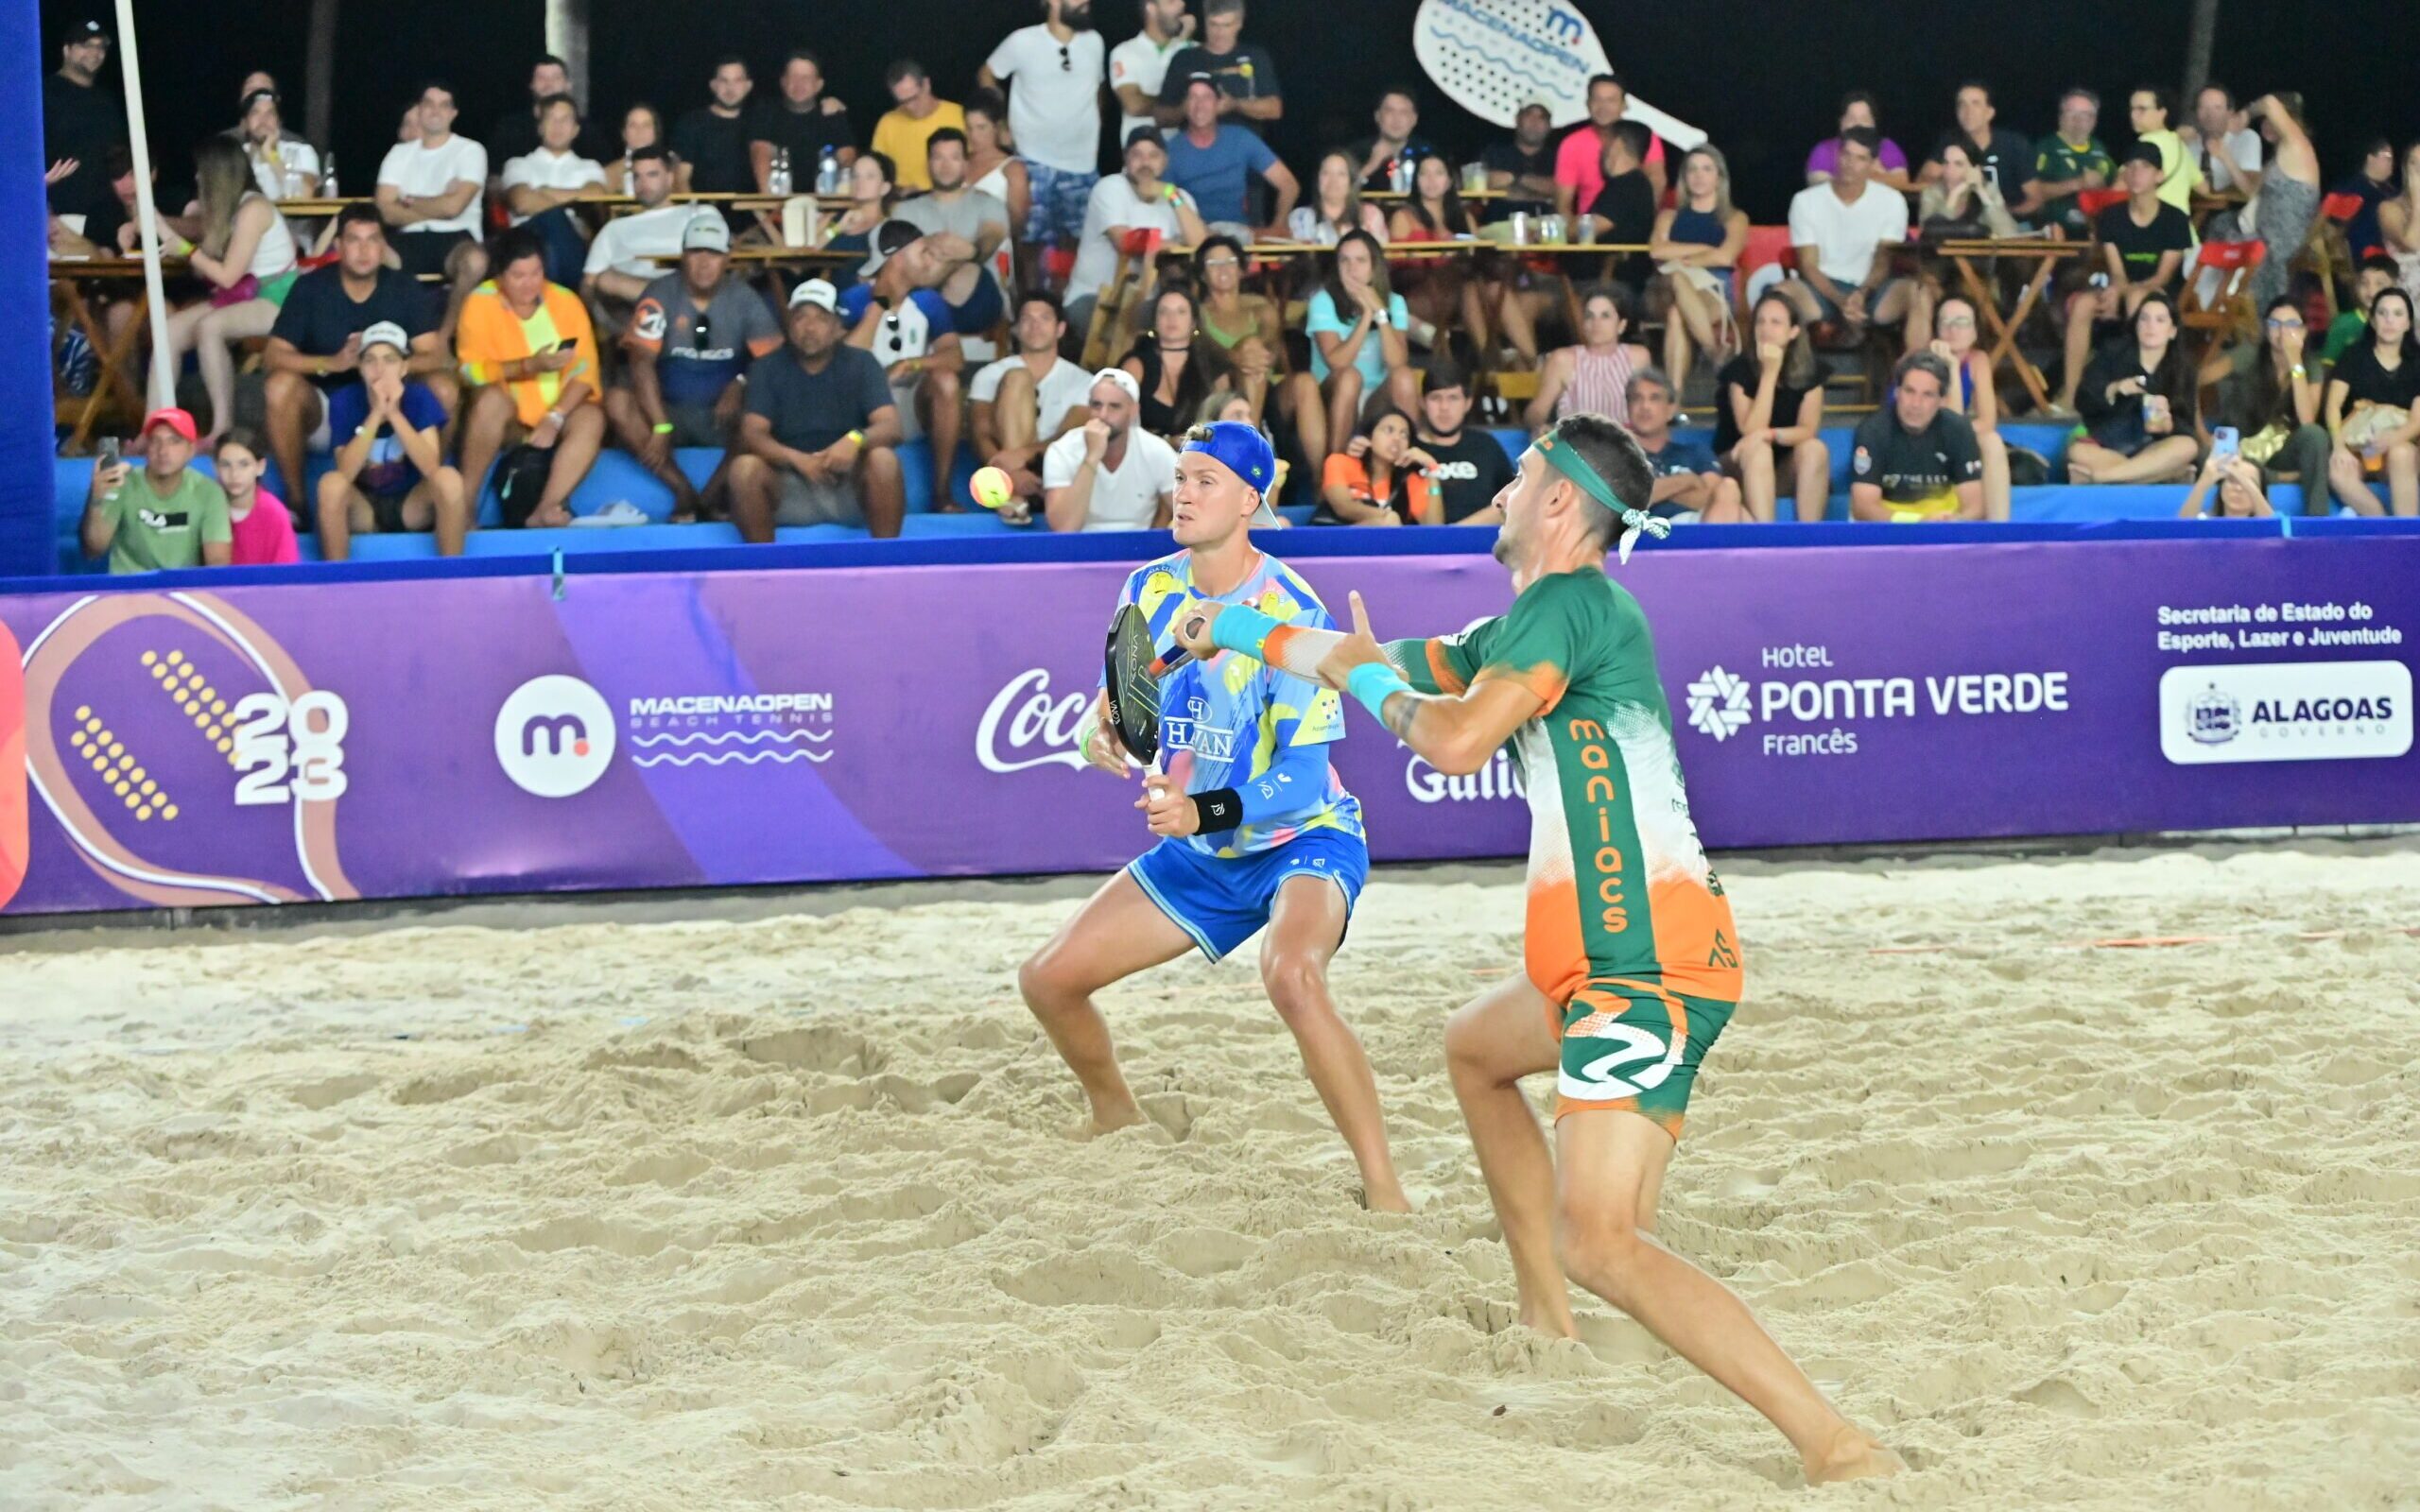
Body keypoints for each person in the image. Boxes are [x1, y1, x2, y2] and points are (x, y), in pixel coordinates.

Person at [1174, 414, 1905, 1488]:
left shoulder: (1575, 603)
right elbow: (1367, 660)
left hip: (1639, 964)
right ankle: (1546, 1317)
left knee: (1606, 1240)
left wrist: (1371, 683)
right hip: (1598, 957)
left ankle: (1836, 1444)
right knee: (1475, 1053)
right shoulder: (1527, 624)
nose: (1502, 491)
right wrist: (1233, 632)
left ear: (1560, 500)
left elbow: (1451, 735)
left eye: (1518, 476)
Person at [1021, 421, 1407, 1211]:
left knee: (1292, 976)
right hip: (1202, 852)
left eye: (1205, 480)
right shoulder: (1148, 588)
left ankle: (1384, 1187)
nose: (1183, 492)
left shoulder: (1291, 609)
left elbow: (1302, 780)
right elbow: (1124, 698)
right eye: (1182, 477)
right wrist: (1101, 730)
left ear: (1251, 500)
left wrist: (1205, 809)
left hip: (1302, 838)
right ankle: (1116, 1116)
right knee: (1048, 982)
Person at [262, 205, 451, 506]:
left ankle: (429, 494)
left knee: (444, 386)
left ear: (383, 246)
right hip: (329, 407)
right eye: (354, 240)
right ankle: (297, 503)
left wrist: (389, 369)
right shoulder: (311, 288)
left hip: (396, 403)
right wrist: (331, 363)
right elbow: (273, 356)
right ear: (338, 246)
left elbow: (435, 355)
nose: (364, 250)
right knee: (278, 387)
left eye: (372, 240)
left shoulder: (403, 287)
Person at [609, 213, 783, 522]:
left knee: (766, 408)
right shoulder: (659, 293)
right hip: (668, 413)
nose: (704, 262)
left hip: (721, 417)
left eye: (713, 253)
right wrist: (660, 423)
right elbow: (640, 362)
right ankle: (683, 490)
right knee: (617, 401)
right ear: (683, 256)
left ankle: (713, 495)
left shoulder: (745, 298)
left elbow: (774, 363)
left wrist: (740, 383)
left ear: (727, 258)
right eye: (696, 252)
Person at [455, 230, 609, 530]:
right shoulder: (480, 303)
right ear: (500, 276)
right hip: (507, 421)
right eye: (519, 276)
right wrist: (528, 365)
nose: (530, 284)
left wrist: (556, 416)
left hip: (554, 418)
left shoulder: (566, 302)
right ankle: (465, 506)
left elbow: (584, 372)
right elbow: (468, 372)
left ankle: (546, 507)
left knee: (592, 417)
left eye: (536, 273)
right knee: (490, 402)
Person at [730, 279, 907, 539]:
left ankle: (888, 567)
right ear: (790, 325)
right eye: (801, 318)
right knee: (744, 468)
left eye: (821, 318)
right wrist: (797, 459)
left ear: (837, 328)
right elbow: (752, 434)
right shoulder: (766, 368)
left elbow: (891, 427)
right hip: (790, 485)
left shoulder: (862, 363)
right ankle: (764, 573)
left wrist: (855, 440)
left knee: (883, 459)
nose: (809, 328)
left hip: (847, 485)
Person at [163, 135, 300, 446]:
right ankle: (157, 425)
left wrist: (184, 249)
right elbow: (206, 269)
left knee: (210, 327)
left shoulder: (253, 208)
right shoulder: (229, 208)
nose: (197, 177)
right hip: (245, 294)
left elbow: (226, 276)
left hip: (277, 297)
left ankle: (221, 427)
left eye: (202, 171)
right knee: (168, 330)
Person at [315, 320, 469, 558]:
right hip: (365, 508)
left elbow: (431, 466)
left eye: (390, 360)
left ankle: (453, 574)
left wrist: (395, 413)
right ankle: (337, 581)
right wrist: (376, 413)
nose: (380, 369)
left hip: (410, 505)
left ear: (404, 367)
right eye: (370, 360)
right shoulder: (344, 400)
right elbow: (345, 472)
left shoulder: (419, 397)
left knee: (449, 479)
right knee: (330, 484)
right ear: (360, 367)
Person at [838, 221, 965, 507]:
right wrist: (881, 304)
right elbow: (842, 363)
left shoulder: (929, 301)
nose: (930, 261)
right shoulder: (854, 299)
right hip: (864, 411)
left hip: (909, 405)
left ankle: (942, 493)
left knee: (946, 381)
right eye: (923, 252)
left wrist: (913, 363)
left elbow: (955, 357)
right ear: (897, 257)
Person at [2058, 142, 2191, 412]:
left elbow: (2162, 278)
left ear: (2159, 175)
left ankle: (2139, 391)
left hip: (2159, 294)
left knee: (2138, 299)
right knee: (2084, 303)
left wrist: (2125, 291)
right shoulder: (2111, 217)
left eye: (2144, 167)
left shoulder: (2175, 219)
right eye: (2130, 167)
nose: (2135, 173)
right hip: (2123, 289)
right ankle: (2071, 396)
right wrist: (2117, 290)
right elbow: (2117, 271)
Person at [980, 0, 1105, 258]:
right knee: (1030, 244)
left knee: (1081, 247)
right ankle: (1029, 299)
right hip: (1033, 160)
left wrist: (1096, 120)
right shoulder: (1022, 41)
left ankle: (1069, 299)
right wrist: (1000, 122)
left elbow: (1100, 87)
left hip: (1082, 165)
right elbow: (987, 74)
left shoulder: (1095, 41)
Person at [1780, 129, 1923, 342]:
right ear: (1837, 155)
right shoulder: (1805, 201)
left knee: (1918, 294)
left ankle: (1917, 366)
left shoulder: (1892, 201)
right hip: (1823, 289)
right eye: (1846, 154)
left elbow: (1883, 258)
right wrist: (1840, 299)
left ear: (1873, 164)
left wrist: (1862, 293)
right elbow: (1808, 265)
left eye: (1860, 158)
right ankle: (1772, 371)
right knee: (1779, 295)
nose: (1850, 163)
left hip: (1874, 288)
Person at [1065, 128, 1207, 334]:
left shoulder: (1178, 197)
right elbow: (1124, 241)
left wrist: (1170, 194)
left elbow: (1201, 245)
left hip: (1148, 300)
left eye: (1153, 155)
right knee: (1128, 338)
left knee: (1192, 325)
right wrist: (1174, 246)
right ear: (1126, 159)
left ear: (1165, 161)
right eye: (1137, 155)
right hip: (1095, 297)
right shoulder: (1110, 187)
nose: (1145, 163)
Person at [1305, 231, 1420, 463]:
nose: (1351, 268)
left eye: (1360, 260)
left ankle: (1409, 464)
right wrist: (1366, 316)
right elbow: (1337, 363)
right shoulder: (1323, 301)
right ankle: (1336, 467)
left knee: (1405, 377)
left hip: (1376, 396)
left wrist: (1380, 314)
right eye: (1344, 260)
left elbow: (1397, 361)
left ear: (1374, 266)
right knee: (1350, 376)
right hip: (1333, 391)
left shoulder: (1395, 301)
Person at [2207, 294, 2329, 509]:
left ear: (2303, 331)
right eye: (2275, 324)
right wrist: (2202, 432)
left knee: (2316, 436)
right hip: (2242, 449)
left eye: (2291, 324)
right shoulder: (2250, 355)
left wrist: (2295, 364)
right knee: (2221, 457)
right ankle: (2285, 477)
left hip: (2282, 453)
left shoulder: (2310, 365)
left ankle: (2317, 527)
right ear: (2266, 329)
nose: (2282, 332)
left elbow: (2308, 420)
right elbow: (2199, 379)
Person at [1717, 290, 1830, 522]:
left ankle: (1808, 543)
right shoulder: (1739, 370)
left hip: (1782, 469)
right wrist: (1770, 373)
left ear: (1793, 332)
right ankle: (1764, 541)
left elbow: (1807, 430)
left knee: (1814, 449)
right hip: (1736, 466)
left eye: (1776, 323)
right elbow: (1749, 431)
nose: (1766, 329)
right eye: (1761, 321)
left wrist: (1769, 435)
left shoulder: (1810, 371)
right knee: (1758, 451)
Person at [972, 293, 1095, 507]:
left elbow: (1072, 434)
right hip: (999, 469)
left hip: (1054, 467)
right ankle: (1014, 495)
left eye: (1044, 318)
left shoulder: (1083, 381)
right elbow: (980, 433)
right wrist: (1008, 472)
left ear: (1060, 329)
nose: (1035, 325)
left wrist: (1023, 455)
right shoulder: (988, 374)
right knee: (1017, 377)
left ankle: (1021, 496)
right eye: (1027, 319)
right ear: (1017, 329)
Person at [2068, 291, 2201, 485]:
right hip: (2110, 444)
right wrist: (2114, 389)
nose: (2151, 326)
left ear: (2172, 331)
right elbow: (2082, 400)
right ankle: (2159, 475)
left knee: (2187, 446)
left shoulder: (2183, 368)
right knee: (2078, 451)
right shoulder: (2112, 353)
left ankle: (2104, 477)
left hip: (2153, 447)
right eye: (2144, 319)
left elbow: (2187, 422)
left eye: (2160, 320)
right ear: (2136, 325)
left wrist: (2168, 425)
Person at [1648, 145, 1747, 396]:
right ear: (1683, 177)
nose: (1699, 175)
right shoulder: (1669, 216)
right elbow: (1657, 251)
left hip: (1714, 289)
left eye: (1706, 169)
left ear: (1719, 177)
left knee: (1675, 316)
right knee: (1678, 281)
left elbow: (1725, 255)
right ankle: (1714, 351)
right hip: (1667, 288)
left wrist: (1681, 255)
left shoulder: (1735, 217)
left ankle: (1674, 401)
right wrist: (1704, 250)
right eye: (1692, 169)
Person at [895, 129, 1013, 335]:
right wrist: (954, 256)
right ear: (928, 163)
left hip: (975, 301)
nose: (946, 166)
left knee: (968, 272)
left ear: (966, 164)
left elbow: (990, 238)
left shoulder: (988, 203)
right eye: (938, 157)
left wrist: (970, 253)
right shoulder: (906, 210)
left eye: (954, 158)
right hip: (919, 300)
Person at [83, 408, 231, 573]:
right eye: (155, 441)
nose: (163, 451)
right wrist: (96, 498)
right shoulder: (122, 483)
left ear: (191, 450)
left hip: (183, 590)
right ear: (146, 448)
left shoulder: (209, 491)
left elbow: (218, 563)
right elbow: (95, 549)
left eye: (174, 441)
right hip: (129, 590)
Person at [376, 82, 488, 296]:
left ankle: (449, 330)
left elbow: (453, 208)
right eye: (429, 104)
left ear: (453, 113)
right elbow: (384, 211)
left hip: (456, 237)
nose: (435, 111)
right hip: (409, 238)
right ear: (419, 109)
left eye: (443, 105)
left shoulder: (470, 151)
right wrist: (441, 201)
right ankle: (378, 327)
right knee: (367, 253)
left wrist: (408, 202)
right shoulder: (399, 153)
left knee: (474, 261)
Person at [1850, 352, 1985, 522]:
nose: (1916, 404)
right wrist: (1916, 523)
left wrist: (1955, 521)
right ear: (1896, 393)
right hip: (1890, 529)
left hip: (1943, 526)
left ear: (1942, 400)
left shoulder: (1959, 429)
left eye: (1927, 395)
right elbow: (1863, 508)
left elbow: (1975, 506)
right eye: (1909, 391)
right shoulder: (1872, 431)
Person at [2323, 285, 2420, 517]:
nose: (2389, 321)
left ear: (2408, 323)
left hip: (2399, 443)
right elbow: (2333, 406)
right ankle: (2382, 526)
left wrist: (2391, 440)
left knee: (2401, 454)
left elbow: (2417, 420)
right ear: (2373, 320)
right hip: (2357, 444)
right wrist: (2338, 446)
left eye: (2398, 314)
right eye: (2382, 313)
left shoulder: (2417, 362)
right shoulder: (2353, 356)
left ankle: (2407, 535)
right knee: (2338, 473)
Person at [1043, 368, 1180, 529]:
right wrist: (1092, 457)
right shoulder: (1062, 450)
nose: (1103, 415)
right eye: (1096, 405)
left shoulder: (1156, 450)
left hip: (1139, 550)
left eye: (1114, 406)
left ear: (1134, 410)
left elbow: (1189, 510)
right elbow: (1064, 528)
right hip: (1081, 549)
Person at [1164, 75, 1297, 232]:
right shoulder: (1170, 150)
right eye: (1193, 97)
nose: (1200, 105)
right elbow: (1164, 193)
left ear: (1218, 104)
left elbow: (1288, 184)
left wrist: (1278, 225)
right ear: (1184, 105)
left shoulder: (1241, 138)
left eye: (1207, 97)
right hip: (1193, 237)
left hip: (1238, 234)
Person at [583, 147, 699, 320]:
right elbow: (589, 283)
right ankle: (669, 307)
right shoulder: (614, 228)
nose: (643, 183)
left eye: (652, 175)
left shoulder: (697, 214)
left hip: (684, 284)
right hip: (633, 302)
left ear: (670, 177)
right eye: (637, 176)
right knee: (605, 279)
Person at [501, 94, 604, 285]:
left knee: (556, 222)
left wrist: (543, 191)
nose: (558, 126)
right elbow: (522, 202)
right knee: (553, 217)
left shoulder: (590, 167)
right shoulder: (519, 164)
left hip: (572, 246)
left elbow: (596, 196)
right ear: (540, 127)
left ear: (575, 130)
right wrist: (573, 199)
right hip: (525, 244)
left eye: (565, 120)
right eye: (552, 119)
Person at [1925, 295, 2012, 520]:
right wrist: (1951, 369)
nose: (1953, 330)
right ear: (1936, 329)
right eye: (1945, 322)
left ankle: (2000, 530)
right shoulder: (1924, 360)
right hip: (1916, 439)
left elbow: (1987, 421)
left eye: (1962, 322)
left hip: (1953, 440)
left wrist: (1964, 434)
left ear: (1974, 332)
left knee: (1991, 441)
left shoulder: (1977, 359)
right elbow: (1948, 422)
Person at [1623, 366, 1744, 523]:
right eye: (1637, 398)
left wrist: (1659, 491)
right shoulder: (1618, 455)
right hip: (1644, 531)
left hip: (1697, 524)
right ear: (1628, 407)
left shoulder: (1696, 453)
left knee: (1729, 487)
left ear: (1671, 409)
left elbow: (1711, 495)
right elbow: (1628, 500)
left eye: (1655, 398)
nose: (1645, 406)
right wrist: (1687, 480)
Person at [1528, 284, 1651, 432]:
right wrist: (1538, 426)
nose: (1596, 323)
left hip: (1626, 445)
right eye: (1589, 316)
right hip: (1578, 445)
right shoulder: (1564, 359)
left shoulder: (1638, 357)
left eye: (1605, 316)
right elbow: (1537, 410)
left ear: (1621, 325)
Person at [1152, 0, 1283, 131]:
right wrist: (1185, 109)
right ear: (1205, 21)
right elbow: (1161, 116)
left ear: (1239, 23)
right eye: (1213, 24)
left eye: (1227, 25)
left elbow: (1274, 109)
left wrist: (1235, 105)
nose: (1219, 33)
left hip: (1243, 147)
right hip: (1195, 147)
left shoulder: (1255, 56)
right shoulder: (1185, 59)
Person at [1554, 72, 1668, 220]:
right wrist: (1572, 234)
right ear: (1587, 103)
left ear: (1624, 105)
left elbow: (1657, 180)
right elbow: (1563, 204)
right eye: (1597, 99)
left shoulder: (1642, 137)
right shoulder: (1571, 144)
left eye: (1611, 100)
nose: (1603, 107)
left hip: (1634, 231)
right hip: (1590, 232)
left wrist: (1642, 223)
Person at [1123, 285, 1232, 440]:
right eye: (1164, 311)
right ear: (1155, 320)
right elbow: (1116, 414)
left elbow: (1225, 424)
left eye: (1181, 312)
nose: (1171, 318)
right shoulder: (1136, 364)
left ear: (1194, 322)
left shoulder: (1212, 366)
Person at [1413, 363, 1516, 524]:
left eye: (1453, 398)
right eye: (1435, 398)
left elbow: (1513, 499)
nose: (1444, 407)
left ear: (1468, 403)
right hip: (1422, 545)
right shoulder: (1410, 449)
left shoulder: (1485, 445)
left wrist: (1458, 532)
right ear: (1422, 402)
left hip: (1482, 543)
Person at [2245, 93, 2321, 311]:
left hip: (2285, 239)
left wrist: (2243, 115)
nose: (2266, 124)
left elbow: (2269, 102)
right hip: (2268, 233)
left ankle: (2257, 316)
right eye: (2264, 120)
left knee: (2232, 240)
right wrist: (2225, 157)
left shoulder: (2297, 145)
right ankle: (2225, 316)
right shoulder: (2277, 158)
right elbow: (2250, 191)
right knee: (2222, 225)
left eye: (2272, 119)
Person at [43, 17, 122, 222]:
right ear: (66, 50)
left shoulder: (106, 101)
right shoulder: (42, 95)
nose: (95, 53)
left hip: (105, 213)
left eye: (100, 47)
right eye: (85, 45)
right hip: (60, 214)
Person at [748, 50, 854, 195]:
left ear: (819, 85)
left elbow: (847, 160)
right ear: (783, 82)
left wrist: (836, 208)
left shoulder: (833, 116)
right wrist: (772, 207)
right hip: (777, 206)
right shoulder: (766, 113)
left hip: (825, 206)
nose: (799, 84)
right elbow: (761, 155)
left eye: (806, 78)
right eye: (793, 77)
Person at [1920, 81, 2038, 209]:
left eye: (1975, 104)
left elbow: (2035, 199)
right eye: (1962, 104)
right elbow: (1923, 182)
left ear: (1990, 113)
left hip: (2012, 221)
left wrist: (2003, 215)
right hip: (1962, 222)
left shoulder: (2014, 144)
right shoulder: (1949, 142)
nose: (1967, 111)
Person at [1315, 405, 1437, 524]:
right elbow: (1343, 507)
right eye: (1389, 430)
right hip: (1334, 540)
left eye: (1404, 435)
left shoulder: (1409, 480)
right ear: (1369, 436)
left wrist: (1432, 471)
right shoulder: (1339, 462)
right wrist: (1386, 515)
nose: (1396, 439)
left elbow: (1433, 528)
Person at [1582, 121, 1658, 289]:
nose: (1600, 149)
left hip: (1614, 284)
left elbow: (1591, 228)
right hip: (1603, 278)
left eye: (1604, 142)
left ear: (1616, 144)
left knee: (1525, 295)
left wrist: (1546, 228)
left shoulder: (1628, 186)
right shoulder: (1626, 185)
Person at [2029, 88, 2113, 237]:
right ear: (2060, 117)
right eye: (2071, 113)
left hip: (2092, 233)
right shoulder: (2045, 148)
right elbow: (2030, 192)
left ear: (2094, 120)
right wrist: (2077, 183)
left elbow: (2115, 187)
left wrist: (2101, 186)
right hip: (2051, 233)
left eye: (2085, 115)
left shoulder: (2100, 149)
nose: (2078, 119)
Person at [871, 60, 964, 194]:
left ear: (926, 85)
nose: (910, 107)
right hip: (903, 205)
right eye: (903, 102)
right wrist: (900, 191)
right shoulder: (888, 123)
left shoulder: (958, 116)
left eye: (914, 98)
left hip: (952, 199)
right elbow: (875, 174)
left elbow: (976, 164)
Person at [1111, 0, 1195, 146]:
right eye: (1171, 2)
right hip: (1143, 158)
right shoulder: (1125, 52)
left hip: (1185, 158)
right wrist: (1184, 104)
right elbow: (1134, 105)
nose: (1181, 4)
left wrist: (1184, 42)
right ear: (1151, 8)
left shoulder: (1193, 50)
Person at [210, 429, 300, 565]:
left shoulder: (275, 513)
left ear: (260, 467)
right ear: (216, 468)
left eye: (244, 465)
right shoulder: (207, 508)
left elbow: (286, 574)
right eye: (226, 465)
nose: (234, 474)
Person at [672, 57, 757, 198]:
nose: (730, 88)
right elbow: (680, 180)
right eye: (724, 81)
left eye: (737, 80)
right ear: (713, 85)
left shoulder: (758, 124)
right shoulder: (692, 123)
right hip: (704, 213)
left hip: (751, 215)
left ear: (748, 86)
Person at [960, 92, 1032, 251]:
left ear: (996, 127)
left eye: (981, 128)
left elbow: (1018, 222)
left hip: (998, 252)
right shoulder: (961, 163)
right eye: (969, 128)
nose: (974, 135)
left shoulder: (1012, 168)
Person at [819, 152, 901, 287]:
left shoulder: (888, 229)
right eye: (855, 176)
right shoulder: (837, 218)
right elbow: (807, 253)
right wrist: (838, 227)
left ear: (885, 188)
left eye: (870, 176)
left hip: (862, 296)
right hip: (824, 294)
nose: (860, 182)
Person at [2183, 85, 2262, 224]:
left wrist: (2226, 158)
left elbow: (2250, 190)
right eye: (2203, 108)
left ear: (2230, 112)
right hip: (2190, 212)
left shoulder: (2245, 138)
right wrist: (2175, 140)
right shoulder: (2189, 143)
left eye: (2217, 108)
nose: (2210, 114)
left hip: (2231, 215)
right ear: (2196, 113)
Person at [1804, 91, 1910, 192]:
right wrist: (1872, 175)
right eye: (1851, 119)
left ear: (1874, 123)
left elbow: (1902, 181)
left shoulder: (1887, 147)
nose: (1858, 124)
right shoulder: (1825, 149)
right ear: (1841, 122)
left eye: (1864, 119)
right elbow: (1819, 184)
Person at [1917, 140, 2018, 240]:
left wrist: (1982, 194)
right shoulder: (1932, 193)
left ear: (1975, 169)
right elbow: (1929, 233)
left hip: (1982, 253)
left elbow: (2008, 233)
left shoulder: (1988, 190)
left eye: (1958, 164)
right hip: (1939, 255)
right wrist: (1953, 197)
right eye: (1946, 162)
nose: (1949, 169)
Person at [1288, 150, 1390, 247]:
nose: (1333, 180)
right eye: (1326, 173)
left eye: (1341, 174)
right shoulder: (1300, 217)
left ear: (1351, 181)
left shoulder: (1371, 215)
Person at [488, 55, 574, 166]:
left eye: (556, 78)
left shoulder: (586, 130)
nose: (548, 84)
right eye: (541, 78)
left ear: (568, 85)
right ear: (531, 85)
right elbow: (494, 175)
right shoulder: (510, 128)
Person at [236, 87, 320, 200]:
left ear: (279, 122)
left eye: (270, 113)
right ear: (244, 123)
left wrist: (272, 155)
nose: (263, 120)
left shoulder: (301, 151)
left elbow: (304, 196)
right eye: (255, 113)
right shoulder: (234, 155)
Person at [1349, 87, 1436, 193]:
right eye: (1390, 111)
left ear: (1414, 119)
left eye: (1403, 112)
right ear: (1377, 116)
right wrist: (1371, 165)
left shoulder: (1427, 153)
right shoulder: (1356, 153)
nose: (1396, 119)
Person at [2126, 86, 2197, 214]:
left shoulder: (2146, 144)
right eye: (2132, 109)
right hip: (2183, 229)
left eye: (2142, 109)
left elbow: (2121, 185)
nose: (2133, 115)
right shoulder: (2180, 145)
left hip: (2153, 227)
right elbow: (2204, 189)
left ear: (2162, 113)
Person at [1483, 102, 1560, 220]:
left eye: (1542, 117)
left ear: (1549, 126)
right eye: (1529, 115)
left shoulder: (1558, 157)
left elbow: (1560, 189)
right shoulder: (1494, 152)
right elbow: (1479, 184)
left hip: (1546, 228)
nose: (1534, 122)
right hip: (1499, 227)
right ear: (1517, 119)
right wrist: (1541, 194)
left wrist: (1515, 179)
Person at [2322, 253, 2398, 363]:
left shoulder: (2401, 323)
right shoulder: (2343, 324)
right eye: (2364, 283)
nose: (2371, 291)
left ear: (2394, 287)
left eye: (2380, 284)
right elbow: (2329, 364)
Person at [600, 104, 691, 196]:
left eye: (646, 125)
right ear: (624, 133)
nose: (640, 131)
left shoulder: (674, 167)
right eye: (633, 125)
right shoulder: (610, 172)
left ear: (656, 132)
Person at [2334, 138, 2395, 261]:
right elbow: (2334, 230)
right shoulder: (2352, 189)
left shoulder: (2391, 193)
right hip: (2366, 261)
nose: (2392, 162)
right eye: (2388, 157)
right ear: (2370, 158)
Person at [2178, 450, 2273, 518]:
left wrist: (2242, 477)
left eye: (2249, 482)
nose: (2238, 488)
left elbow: (2273, 528)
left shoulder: (2269, 521)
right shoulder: (2205, 520)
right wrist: (2203, 482)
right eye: (2232, 480)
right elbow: (2182, 529)